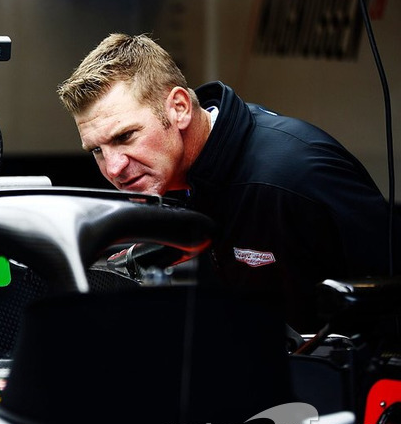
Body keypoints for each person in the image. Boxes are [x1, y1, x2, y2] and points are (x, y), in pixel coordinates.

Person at [57, 32, 395, 332]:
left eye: (126, 136)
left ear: (179, 108)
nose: (113, 168)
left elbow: (389, 297)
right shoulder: (179, 176)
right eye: (97, 151)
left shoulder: (291, 176)